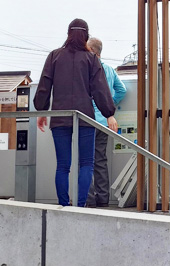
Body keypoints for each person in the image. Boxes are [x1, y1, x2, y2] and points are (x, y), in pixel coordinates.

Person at [34, 19, 116, 207]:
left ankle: (64, 204)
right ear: (86, 36)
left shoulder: (54, 56)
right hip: (85, 117)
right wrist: (109, 113)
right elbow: (100, 89)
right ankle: (80, 206)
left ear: (68, 34)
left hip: (59, 116)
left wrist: (42, 111)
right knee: (86, 163)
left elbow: (45, 85)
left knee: (63, 165)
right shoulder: (91, 59)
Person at [85, 37, 124, 207]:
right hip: (104, 122)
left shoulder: (87, 69)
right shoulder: (109, 69)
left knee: (85, 160)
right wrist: (110, 105)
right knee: (100, 159)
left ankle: (88, 198)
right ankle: (103, 198)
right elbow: (121, 90)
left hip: (88, 120)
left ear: (92, 51)